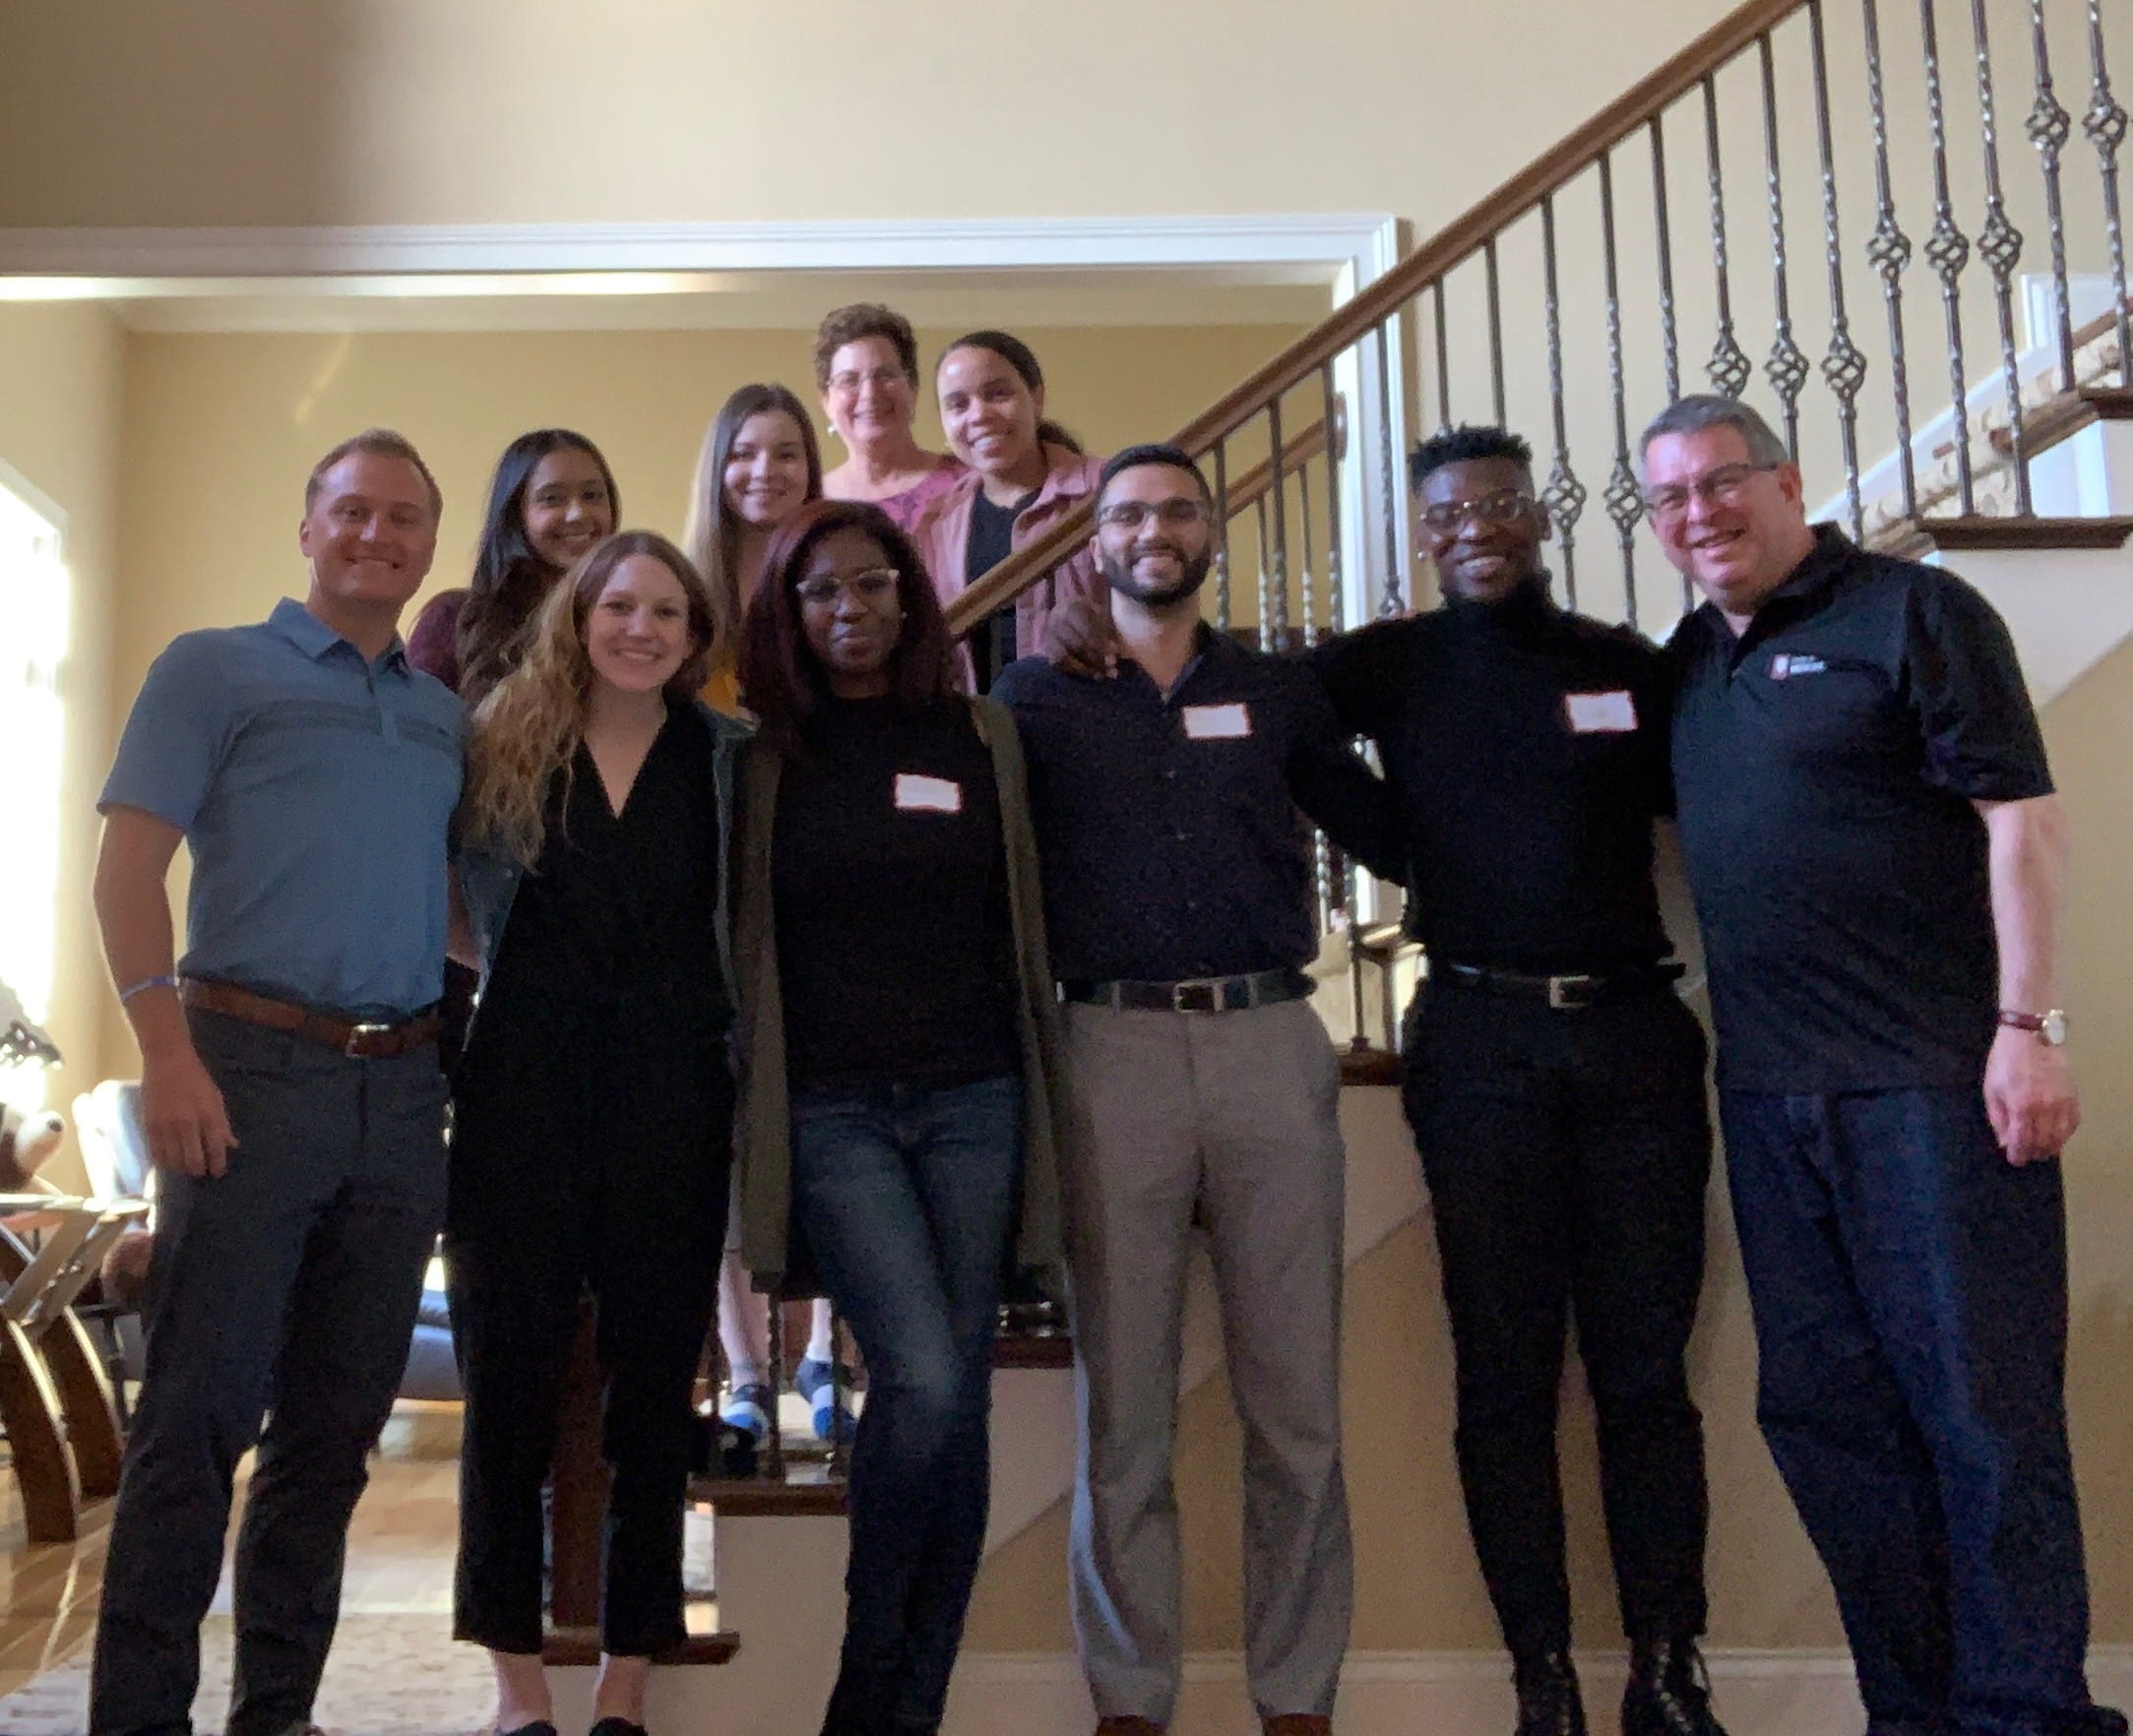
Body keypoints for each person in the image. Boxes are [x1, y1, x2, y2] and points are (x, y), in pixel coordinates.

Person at [1646, 394, 2127, 1736]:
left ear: (1783, 482)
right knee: (1826, 1426)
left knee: (1982, 1421)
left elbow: (2019, 828)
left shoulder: (1914, 613)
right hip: (1766, 1100)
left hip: (1933, 1088)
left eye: (1719, 483)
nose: (1697, 513)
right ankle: (1908, 1714)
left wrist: (2028, 1032)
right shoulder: (1686, 662)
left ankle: (2027, 1714)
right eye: (1668, 498)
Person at [1312, 425, 1722, 1736]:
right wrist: (1407, 851)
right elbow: (1260, 730)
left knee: (1642, 1376)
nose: (1470, 527)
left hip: (1632, 1045)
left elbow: (1711, 794)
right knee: (1500, 1377)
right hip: (1477, 1048)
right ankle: (1538, 1681)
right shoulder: (1385, 667)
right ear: (1419, 536)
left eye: (1492, 505)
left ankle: (1665, 1672)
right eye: (1444, 514)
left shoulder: (1620, 666)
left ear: (1533, 516)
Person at [992, 444, 1401, 1736]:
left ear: (1206, 531)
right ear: (1092, 542)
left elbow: (1388, 828)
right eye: (1126, 513)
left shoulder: (1276, 692)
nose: (1151, 530)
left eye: (1175, 510)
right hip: (1104, 1053)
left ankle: (1296, 1702)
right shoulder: (1031, 696)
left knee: (1297, 1412)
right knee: (1122, 1414)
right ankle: (1130, 1703)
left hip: (1270, 1045)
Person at [88, 429, 463, 1736]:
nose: (378, 535)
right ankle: (139, 1719)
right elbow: (126, 876)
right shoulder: (210, 669)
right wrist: (166, 1058)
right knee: (193, 1429)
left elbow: (454, 915)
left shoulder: (438, 716)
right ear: (308, 530)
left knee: (328, 1442)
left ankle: (278, 1715)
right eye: (352, 512)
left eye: (405, 518)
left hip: (404, 1095)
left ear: (429, 546)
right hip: (241, 1070)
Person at [729, 498, 1067, 1735]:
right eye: (821, 592)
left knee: (956, 1395)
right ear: (791, 615)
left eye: (871, 585)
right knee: (924, 1373)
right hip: (836, 1114)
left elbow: (1021, 907)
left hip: (978, 1096)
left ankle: (895, 1706)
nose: (849, 610)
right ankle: (870, 1684)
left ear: (909, 597)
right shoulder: (759, 758)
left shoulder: (984, 735)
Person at [449, 529, 746, 1736]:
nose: (639, 627)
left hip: (673, 1100)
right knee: (507, 1383)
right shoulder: (496, 744)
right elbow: (456, 912)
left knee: (650, 1394)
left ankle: (628, 1670)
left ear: (692, 634)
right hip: (520, 1092)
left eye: (665, 611)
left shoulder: (730, 757)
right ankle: (516, 1683)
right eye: (617, 605)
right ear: (579, 618)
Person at [679, 382, 850, 1448]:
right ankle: (745, 1368)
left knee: (829, 1112)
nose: (766, 471)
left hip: (818, 868)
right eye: (745, 453)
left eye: (787, 453)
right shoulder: (683, 589)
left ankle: (827, 1349)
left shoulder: (833, 575)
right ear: (718, 467)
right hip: (709, 873)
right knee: (723, 1123)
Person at [909, 330, 1103, 692]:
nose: (979, 414)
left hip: (1094, 715)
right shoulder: (935, 523)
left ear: (1037, 397)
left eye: (997, 394)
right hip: (980, 730)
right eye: (957, 404)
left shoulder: (1106, 489)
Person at [405, 428, 619, 701]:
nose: (577, 514)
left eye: (592, 496)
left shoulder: (630, 624)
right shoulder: (454, 620)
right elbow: (416, 733)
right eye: (552, 498)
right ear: (515, 514)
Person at [815, 302, 964, 526]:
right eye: (849, 380)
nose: (870, 394)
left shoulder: (967, 483)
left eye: (885, 375)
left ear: (913, 387)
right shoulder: (808, 503)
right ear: (826, 400)